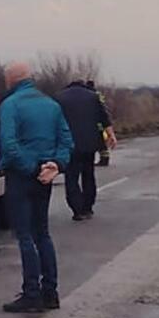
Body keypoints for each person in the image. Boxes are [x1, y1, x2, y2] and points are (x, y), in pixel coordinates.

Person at [0, 62, 73, 312]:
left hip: (22, 176)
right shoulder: (51, 105)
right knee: (43, 232)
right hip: (46, 176)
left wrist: (30, 168)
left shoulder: (10, 105)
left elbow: (8, 144)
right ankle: (50, 292)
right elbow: (66, 140)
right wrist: (55, 164)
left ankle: (31, 293)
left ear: (11, 80)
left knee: (25, 235)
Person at [56, 79, 115, 220]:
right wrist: (111, 135)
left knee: (71, 177)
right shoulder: (93, 96)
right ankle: (88, 207)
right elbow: (104, 118)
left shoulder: (59, 97)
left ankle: (77, 209)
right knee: (88, 174)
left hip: (69, 143)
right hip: (90, 143)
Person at [86, 81, 113, 167]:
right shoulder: (98, 94)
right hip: (101, 121)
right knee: (102, 141)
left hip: (96, 122)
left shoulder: (91, 95)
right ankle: (104, 158)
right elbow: (103, 108)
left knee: (100, 141)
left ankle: (104, 160)